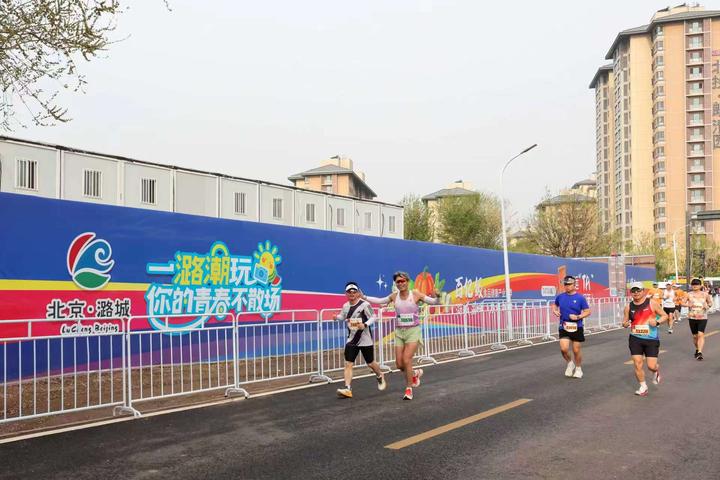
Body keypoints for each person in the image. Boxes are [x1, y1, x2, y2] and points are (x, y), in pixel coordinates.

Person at [364, 271, 439, 400]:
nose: (400, 283)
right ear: (396, 283)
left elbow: (434, 302)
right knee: (399, 364)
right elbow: (380, 301)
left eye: (403, 281)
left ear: (407, 282)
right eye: (398, 281)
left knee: (406, 360)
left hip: (413, 331)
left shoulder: (415, 294)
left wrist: (438, 296)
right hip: (399, 332)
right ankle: (414, 373)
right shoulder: (394, 296)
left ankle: (409, 389)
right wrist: (364, 297)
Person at [335, 282, 387, 398]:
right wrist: (336, 317)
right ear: (346, 294)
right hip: (352, 340)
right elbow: (342, 317)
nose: (352, 294)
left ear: (358, 293)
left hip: (365, 339)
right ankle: (348, 388)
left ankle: (380, 375)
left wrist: (365, 324)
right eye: (349, 292)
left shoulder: (365, 305)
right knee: (348, 363)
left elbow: (373, 317)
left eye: (354, 292)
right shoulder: (345, 306)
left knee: (370, 363)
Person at [622, 282, 668, 396]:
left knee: (651, 366)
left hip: (651, 339)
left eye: (638, 290)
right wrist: (625, 323)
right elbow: (625, 321)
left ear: (643, 291)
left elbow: (665, 315)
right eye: (633, 291)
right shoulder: (628, 307)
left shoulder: (652, 303)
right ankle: (643, 386)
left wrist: (657, 322)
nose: (636, 293)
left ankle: (655, 371)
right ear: (631, 293)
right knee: (637, 363)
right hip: (635, 338)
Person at [551, 275, 591, 379]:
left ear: (574, 285)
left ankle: (578, 368)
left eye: (569, 284)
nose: (567, 286)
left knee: (576, 350)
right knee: (564, 349)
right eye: (565, 284)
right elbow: (554, 305)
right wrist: (555, 311)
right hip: (564, 325)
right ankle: (570, 363)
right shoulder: (560, 297)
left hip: (577, 326)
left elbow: (587, 311)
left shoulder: (580, 298)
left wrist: (578, 316)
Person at [687, 278, 713, 361]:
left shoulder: (705, 294)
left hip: (702, 317)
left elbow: (710, 303)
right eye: (693, 284)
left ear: (700, 285)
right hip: (692, 317)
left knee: (700, 334)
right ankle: (697, 349)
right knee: (695, 336)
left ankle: (700, 352)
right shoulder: (688, 294)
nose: (694, 286)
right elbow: (682, 303)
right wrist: (688, 305)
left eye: (696, 284)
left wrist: (707, 306)